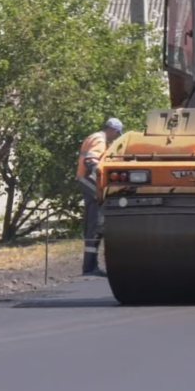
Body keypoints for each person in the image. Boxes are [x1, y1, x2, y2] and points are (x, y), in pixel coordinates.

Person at [77, 118, 123, 276]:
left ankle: (89, 266)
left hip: (85, 180)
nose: (115, 137)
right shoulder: (99, 139)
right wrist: (105, 176)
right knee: (98, 222)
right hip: (90, 181)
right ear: (111, 130)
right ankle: (90, 266)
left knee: (92, 223)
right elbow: (91, 160)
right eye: (116, 134)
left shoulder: (94, 137)